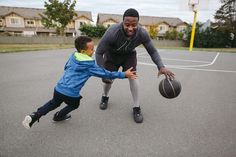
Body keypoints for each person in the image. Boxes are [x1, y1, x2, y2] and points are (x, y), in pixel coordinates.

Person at [22, 36, 136, 129]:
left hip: (59, 88)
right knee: (74, 104)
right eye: (91, 49)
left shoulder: (73, 56)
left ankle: (34, 116)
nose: (94, 51)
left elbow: (66, 66)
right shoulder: (90, 65)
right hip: (71, 94)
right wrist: (123, 74)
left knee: (53, 103)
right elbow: (106, 73)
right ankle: (59, 116)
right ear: (83, 51)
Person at [95, 8, 175, 123]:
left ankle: (136, 107)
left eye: (134, 25)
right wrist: (103, 71)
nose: (130, 28)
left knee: (133, 76)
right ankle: (105, 96)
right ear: (122, 22)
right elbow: (98, 52)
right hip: (112, 56)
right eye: (127, 24)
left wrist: (161, 66)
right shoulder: (112, 32)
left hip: (129, 55)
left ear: (138, 23)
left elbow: (152, 51)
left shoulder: (142, 33)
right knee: (108, 80)